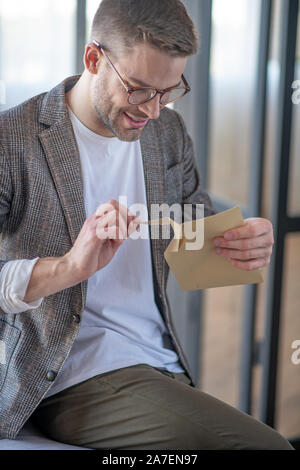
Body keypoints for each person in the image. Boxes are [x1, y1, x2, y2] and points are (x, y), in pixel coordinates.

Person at [0, 0, 293, 450]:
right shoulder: (12, 141)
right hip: (67, 373)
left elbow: (191, 238)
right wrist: (70, 267)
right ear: (93, 59)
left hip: (161, 360)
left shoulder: (167, 134)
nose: (153, 110)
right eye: (138, 89)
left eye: (169, 90)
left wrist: (239, 245)